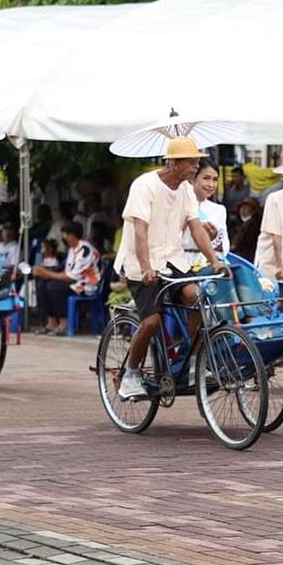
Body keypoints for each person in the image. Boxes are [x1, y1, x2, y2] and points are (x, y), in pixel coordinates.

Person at [113, 137, 229, 400]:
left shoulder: (186, 189)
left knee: (197, 298)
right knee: (151, 321)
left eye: (197, 162)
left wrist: (215, 261)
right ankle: (131, 375)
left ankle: (192, 363)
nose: (195, 167)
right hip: (142, 263)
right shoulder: (145, 185)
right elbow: (140, 231)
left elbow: (195, 227)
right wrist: (146, 267)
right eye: (191, 162)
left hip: (174, 260)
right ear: (174, 163)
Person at [31, 222, 101, 336]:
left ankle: (64, 323)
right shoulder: (72, 249)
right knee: (42, 284)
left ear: (73, 235)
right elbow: (67, 271)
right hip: (75, 282)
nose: (64, 237)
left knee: (54, 287)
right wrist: (45, 274)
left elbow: (72, 277)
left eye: (66, 234)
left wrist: (47, 273)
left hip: (86, 285)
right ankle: (51, 322)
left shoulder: (85, 250)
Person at [181, 158, 229, 269]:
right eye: (206, 178)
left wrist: (214, 237)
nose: (211, 184)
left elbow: (224, 246)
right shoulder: (180, 205)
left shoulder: (219, 210)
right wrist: (187, 225)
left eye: (215, 180)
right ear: (193, 178)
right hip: (183, 262)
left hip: (211, 264)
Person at [230, 197, 261, 262]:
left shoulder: (255, 226)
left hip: (246, 259)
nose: (243, 210)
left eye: (246, 207)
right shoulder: (236, 224)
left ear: (253, 211)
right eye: (241, 207)